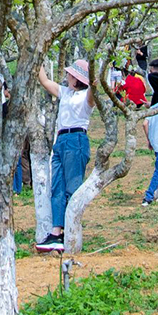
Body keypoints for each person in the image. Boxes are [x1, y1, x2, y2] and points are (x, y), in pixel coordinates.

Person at [35, 59, 93, 252]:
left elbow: (94, 93)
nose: (66, 76)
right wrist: (37, 56)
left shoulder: (86, 96)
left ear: (77, 78)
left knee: (72, 189)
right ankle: (56, 232)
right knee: (57, 186)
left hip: (76, 139)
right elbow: (44, 81)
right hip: (61, 140)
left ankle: (71, 230)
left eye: (70, 74)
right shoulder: (65, 93)